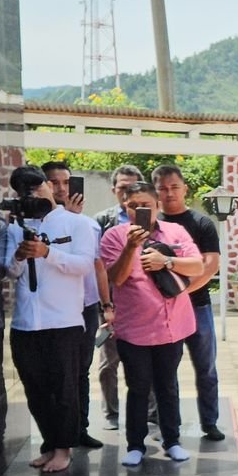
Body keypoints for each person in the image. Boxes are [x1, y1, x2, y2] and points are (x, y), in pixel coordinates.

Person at [100, 181, 205, 467]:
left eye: (146, 205)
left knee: (167, 386)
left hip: (172, 326)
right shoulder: (114, 236)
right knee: (137, 387)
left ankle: (172, 440)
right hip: (134, 329)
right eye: (133, 206)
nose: (140, 210)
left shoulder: (175, 232)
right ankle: (135, 444)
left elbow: (198, 266)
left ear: (157, 206)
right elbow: (116, 278)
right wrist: (131, 248)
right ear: (125, 207)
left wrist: (167, 261)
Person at [0, 166, 97, 475]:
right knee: (35, 388)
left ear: (47, 187)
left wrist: (47, 253)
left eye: (36, 185)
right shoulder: (15, 227)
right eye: (23, 189)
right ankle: (49, 443)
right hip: (26, 323)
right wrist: (18, 256)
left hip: (63, 321)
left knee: (64, 389)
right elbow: (9, 271)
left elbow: (84, 266)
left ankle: (64, 449)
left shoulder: (78, 223)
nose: (33, 192)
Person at [152, 164, 225, 442]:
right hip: (161, 311)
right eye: (163, 188)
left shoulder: (201, 223)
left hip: (197, 307)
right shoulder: (151, 225)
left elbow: (210, 266)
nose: (169, 193)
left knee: (206, 367)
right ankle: (167, 426)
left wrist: (180, 293)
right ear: (156, 192)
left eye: (174, 187)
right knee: (164, 371)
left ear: (185, 189)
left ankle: (210, 422)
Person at [43, 159, 109, 450]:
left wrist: (106, 304)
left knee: (81, 370)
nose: (61, 188)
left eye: (66, 182)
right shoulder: (37, 222)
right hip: (55, 308)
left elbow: (96, 265)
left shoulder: (89, 223)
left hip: (86, 304)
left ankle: (79, 428)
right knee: (55, 372)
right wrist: (64, 218)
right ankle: (55, 436)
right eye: (54, 182)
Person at [95, 164, 143, 431]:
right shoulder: (102, 221)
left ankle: (150, 414)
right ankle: (111, 412)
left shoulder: (149, 219)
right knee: (108, 362)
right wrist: (106, 304)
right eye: (122, 188)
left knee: (144, 362)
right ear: (113, 189)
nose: (127, 194)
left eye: (132, 188)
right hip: (111, 301)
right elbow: (98, 265)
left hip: (142, 302)